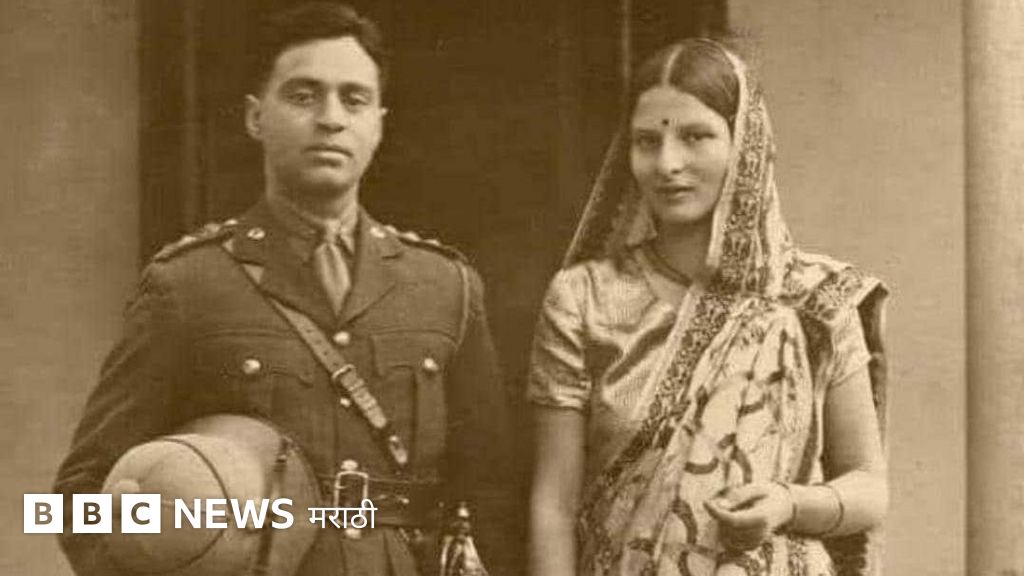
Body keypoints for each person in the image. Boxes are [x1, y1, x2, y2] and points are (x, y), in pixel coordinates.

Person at [54, 3, 514, 575]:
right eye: (303, 96)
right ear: (256, 117)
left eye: (354, 99)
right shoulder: (188, 286)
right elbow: (73, 504)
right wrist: (171, 541)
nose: (331, 119)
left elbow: (493, 499)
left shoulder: (445, 286)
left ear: (378, 124)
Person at [527, 39, 888, 576]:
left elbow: (868, 487)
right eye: (647, 141)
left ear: (745, 144)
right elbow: (554, 503)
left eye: (695, 137)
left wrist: (787, 503)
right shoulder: (585, 297)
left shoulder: (813, 298)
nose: (668, 163)